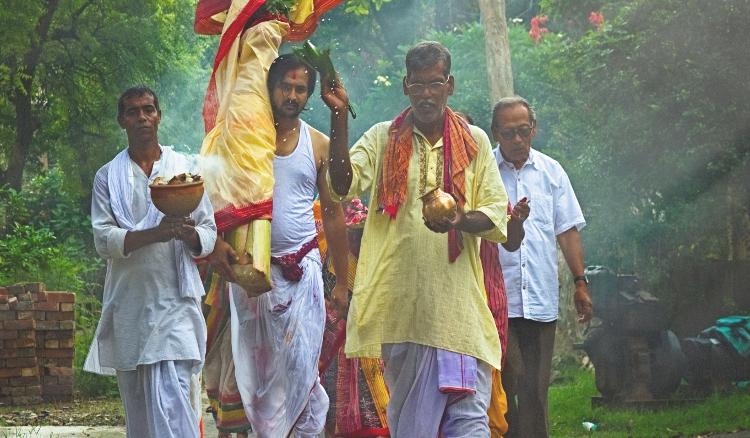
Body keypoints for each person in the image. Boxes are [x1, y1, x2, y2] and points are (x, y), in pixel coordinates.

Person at [322, 41, 511, 437]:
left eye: (435, 84)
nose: (427, 94)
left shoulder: (474, 141)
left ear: (450, 85)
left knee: (470, 424)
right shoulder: (382, 138)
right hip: (402, 312)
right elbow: (341, 186)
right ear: (406, 86)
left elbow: (496, 216)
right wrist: (339, 116)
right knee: (411, 427)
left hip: (459, 313)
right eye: (418, 85)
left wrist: (459, 217)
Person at [207, 54, 349, 438]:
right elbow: (218, 199)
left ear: (309, 95)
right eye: (284, 86)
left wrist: (342, 282)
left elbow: (335, 209)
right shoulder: (246, 141)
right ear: (269, 88)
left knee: (303, 372)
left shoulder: (317, 142)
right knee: (256, 378)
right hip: (252, 277)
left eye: (300, 89)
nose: (291, 94)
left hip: (304, 276)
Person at [84, 86, 217, 438]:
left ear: (158, 115)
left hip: (176, 302)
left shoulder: (184, 169)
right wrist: (156, 234)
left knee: (173, 399)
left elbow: (208, 233)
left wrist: (186, 234)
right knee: (141, 411)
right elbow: (104, 240)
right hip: (130, 304)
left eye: (148, 110)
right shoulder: (107, 177)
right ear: (121, 120)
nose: (141, 117)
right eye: (132, 112)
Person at [490, 96, 593, 438]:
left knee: (535, 389)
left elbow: (567, 230)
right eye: (509, 133)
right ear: (496, 133)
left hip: (540, 298)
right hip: (497, 299)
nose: (517, 139)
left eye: (523, 131)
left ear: (533, 130)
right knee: (507, 384)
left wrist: (581, 282)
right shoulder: (484, 172)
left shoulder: (552, 172)